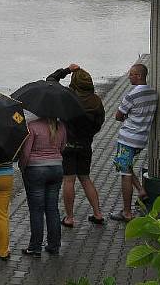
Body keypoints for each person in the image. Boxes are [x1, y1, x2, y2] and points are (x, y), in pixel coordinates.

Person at [47, 64, 105, 227]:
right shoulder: (96, 101)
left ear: (75, 82)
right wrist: (89, 135)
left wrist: (66, 70)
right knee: (85, 178)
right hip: (85, 145)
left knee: (69, 181)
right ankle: (98, 214)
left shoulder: (68, 97)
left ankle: (70, 218)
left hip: (68, 145)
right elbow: (99, 123)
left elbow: (50, 81)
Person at [110, 63, 158, 223]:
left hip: (127, 138)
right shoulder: (153, 93)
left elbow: (118, 115)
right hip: (142, 138)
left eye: (131, 74)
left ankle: (127, 212)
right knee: (126, 165)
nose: (128, 76)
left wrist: (126, 117)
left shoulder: (131, 95)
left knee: (124, 173)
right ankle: (141, 190)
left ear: (139, 76)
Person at [18, 116, 67, 256]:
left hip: (36, 170)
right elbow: (62, 147)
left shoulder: (32, 126)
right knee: (52, 208)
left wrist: (22, 167)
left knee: (36, 210)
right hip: (56, 169)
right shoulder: (61, 126)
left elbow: (26, 152)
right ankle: (54, 245)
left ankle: (35, 247)